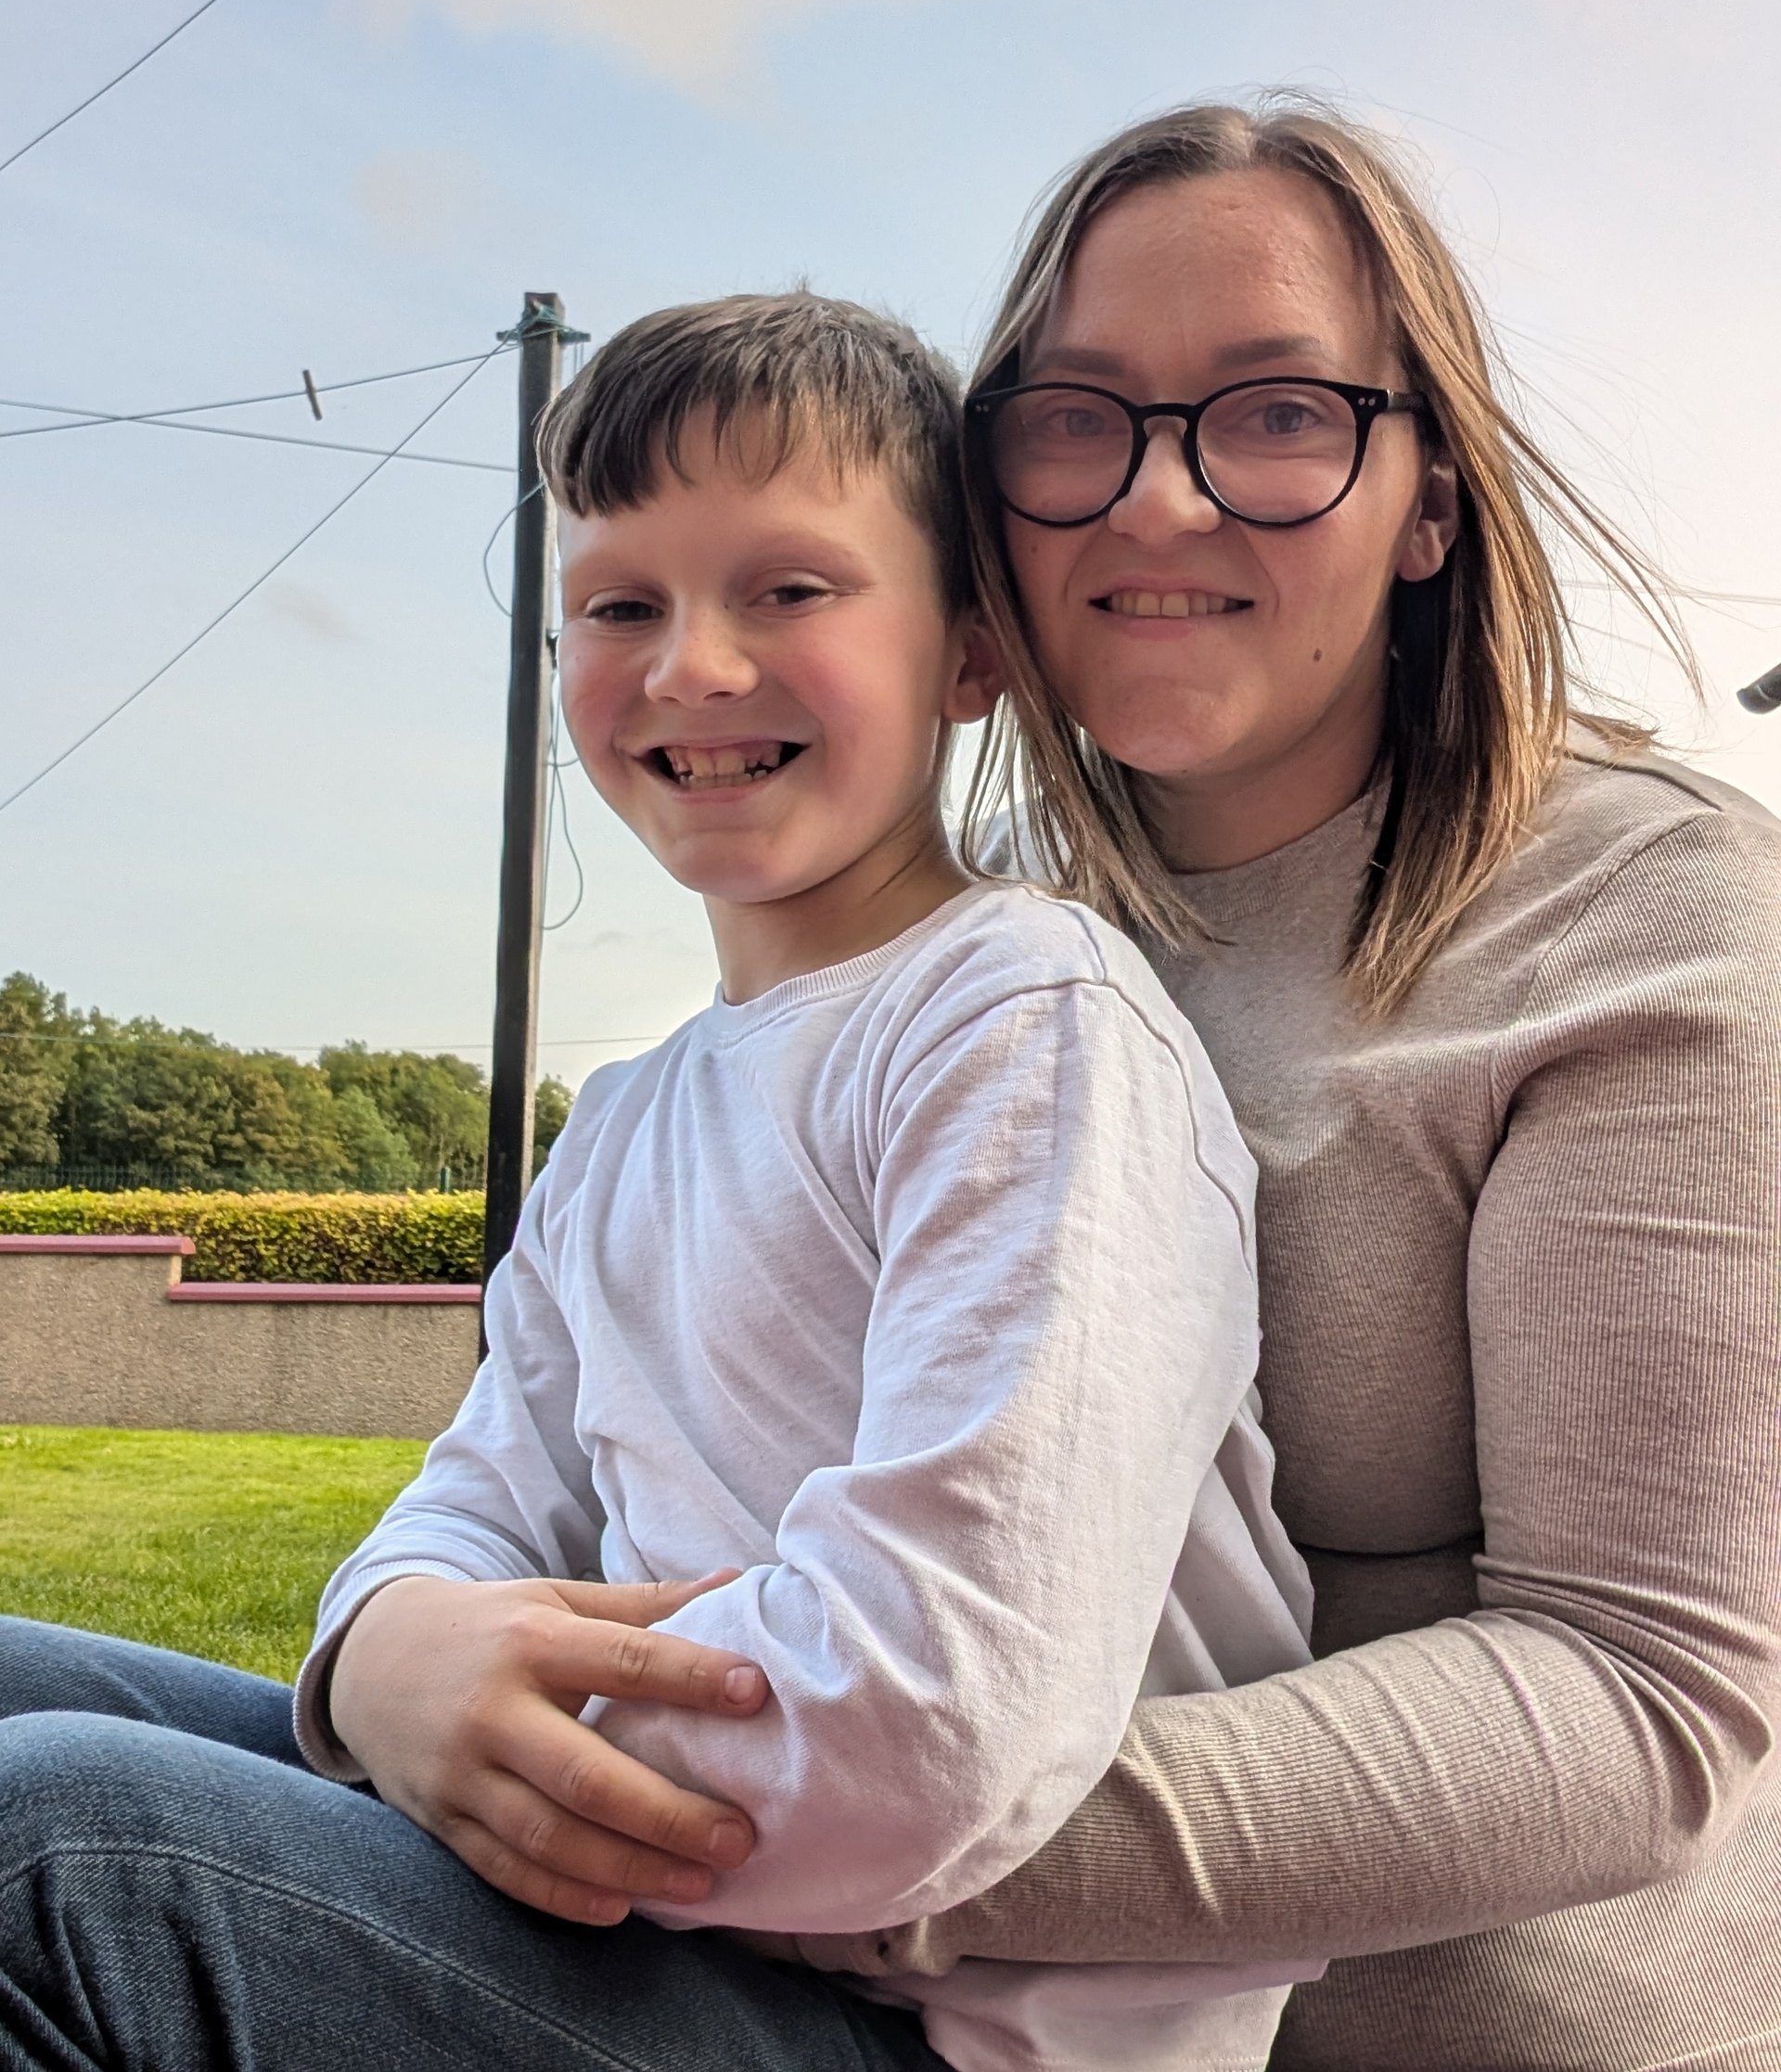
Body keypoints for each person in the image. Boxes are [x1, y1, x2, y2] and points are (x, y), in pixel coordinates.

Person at [0, 292, 1316, 2072]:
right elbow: (480, 1499)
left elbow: (931, 1714)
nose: (694, 662)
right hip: (686, 1942)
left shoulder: (1026, 1026)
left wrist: (480, 1745)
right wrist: (382, 1658)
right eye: (622, 605)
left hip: (931, 2025)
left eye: (789, 590)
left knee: (55, 1846)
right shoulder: (623, 1121)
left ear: (972, 651)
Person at [766, 102, 1781, 2069]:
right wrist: (406, 1648)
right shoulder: (994, 969)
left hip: (1443, 2039)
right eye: (1073, 416)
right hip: (924, 1991)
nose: (1157, 502)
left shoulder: (1650, 908)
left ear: (1429, 498)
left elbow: (1641, 1691)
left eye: (1278, 411)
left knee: (71, 1861)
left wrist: (844, 1849)